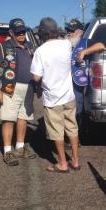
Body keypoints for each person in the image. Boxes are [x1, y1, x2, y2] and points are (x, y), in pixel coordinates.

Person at [31, 17, 83, 173]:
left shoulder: (40, 51)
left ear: (42, 33)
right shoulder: (66, 45)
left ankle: (62, 163)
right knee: (72, 128)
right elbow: (77, 36)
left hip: (53, 98)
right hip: (69, 96)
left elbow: (36, 77)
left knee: (56, 131)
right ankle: (75, 160)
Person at [0, 18, 36, 166]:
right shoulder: (3, 47)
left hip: (28, 88)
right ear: (11, 32)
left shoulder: (30, 47)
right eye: (18, 32)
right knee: (9, 119)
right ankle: (8, 152)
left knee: (23, 118)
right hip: (9, 88)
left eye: (23, 31)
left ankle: (20, 148)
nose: (21, 34)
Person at [65, 19, 85, 126]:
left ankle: (77, 135)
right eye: (68, 30)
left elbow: (101, 45)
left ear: (80, 32)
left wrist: (84, 52)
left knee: (77, 108)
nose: (69, 33)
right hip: (63, 83)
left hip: (77, 83)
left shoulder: (85, 43)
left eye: (72, 31)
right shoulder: (64, 44)